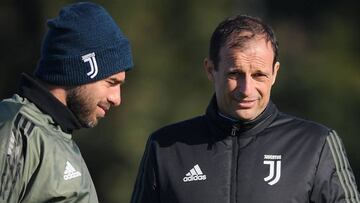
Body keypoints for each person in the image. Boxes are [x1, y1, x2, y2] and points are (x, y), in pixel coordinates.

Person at [130, 15, 359, 203]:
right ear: (211, 69)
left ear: (275, 73)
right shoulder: (165, 148)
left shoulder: (316, 145)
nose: (246, 89)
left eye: (259, 75)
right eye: (234, 74)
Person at [0, 2, 133, 203]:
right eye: (111, 82)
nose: (116, 98)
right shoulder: (17, 131)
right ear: (82, 69)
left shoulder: (58, 135)